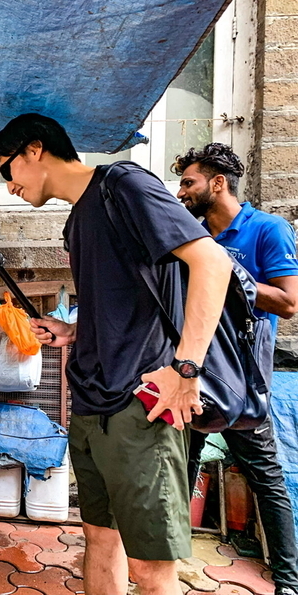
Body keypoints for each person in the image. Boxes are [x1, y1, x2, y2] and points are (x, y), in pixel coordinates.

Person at [0, 113, 232, 595]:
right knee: (100, 538)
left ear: (34, 150)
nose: (7, 185)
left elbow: (213, 262)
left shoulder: (121, 184)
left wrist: (186, 370)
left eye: (5, 169)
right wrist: (72, 330)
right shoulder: (78, 217)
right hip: (90, 403)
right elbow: (124, 301)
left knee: (150, 565)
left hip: (138, 403)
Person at [173, 143, 298, 595]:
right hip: (195, 368)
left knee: (264, 473)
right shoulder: (192, 233)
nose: (182, 191)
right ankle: (170, 564)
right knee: (180, 465)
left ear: (218, 183)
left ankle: (288, 580)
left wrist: (222, 271)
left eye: (189, 182)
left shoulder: (267, 229)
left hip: (244, 373)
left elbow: (287, 303)